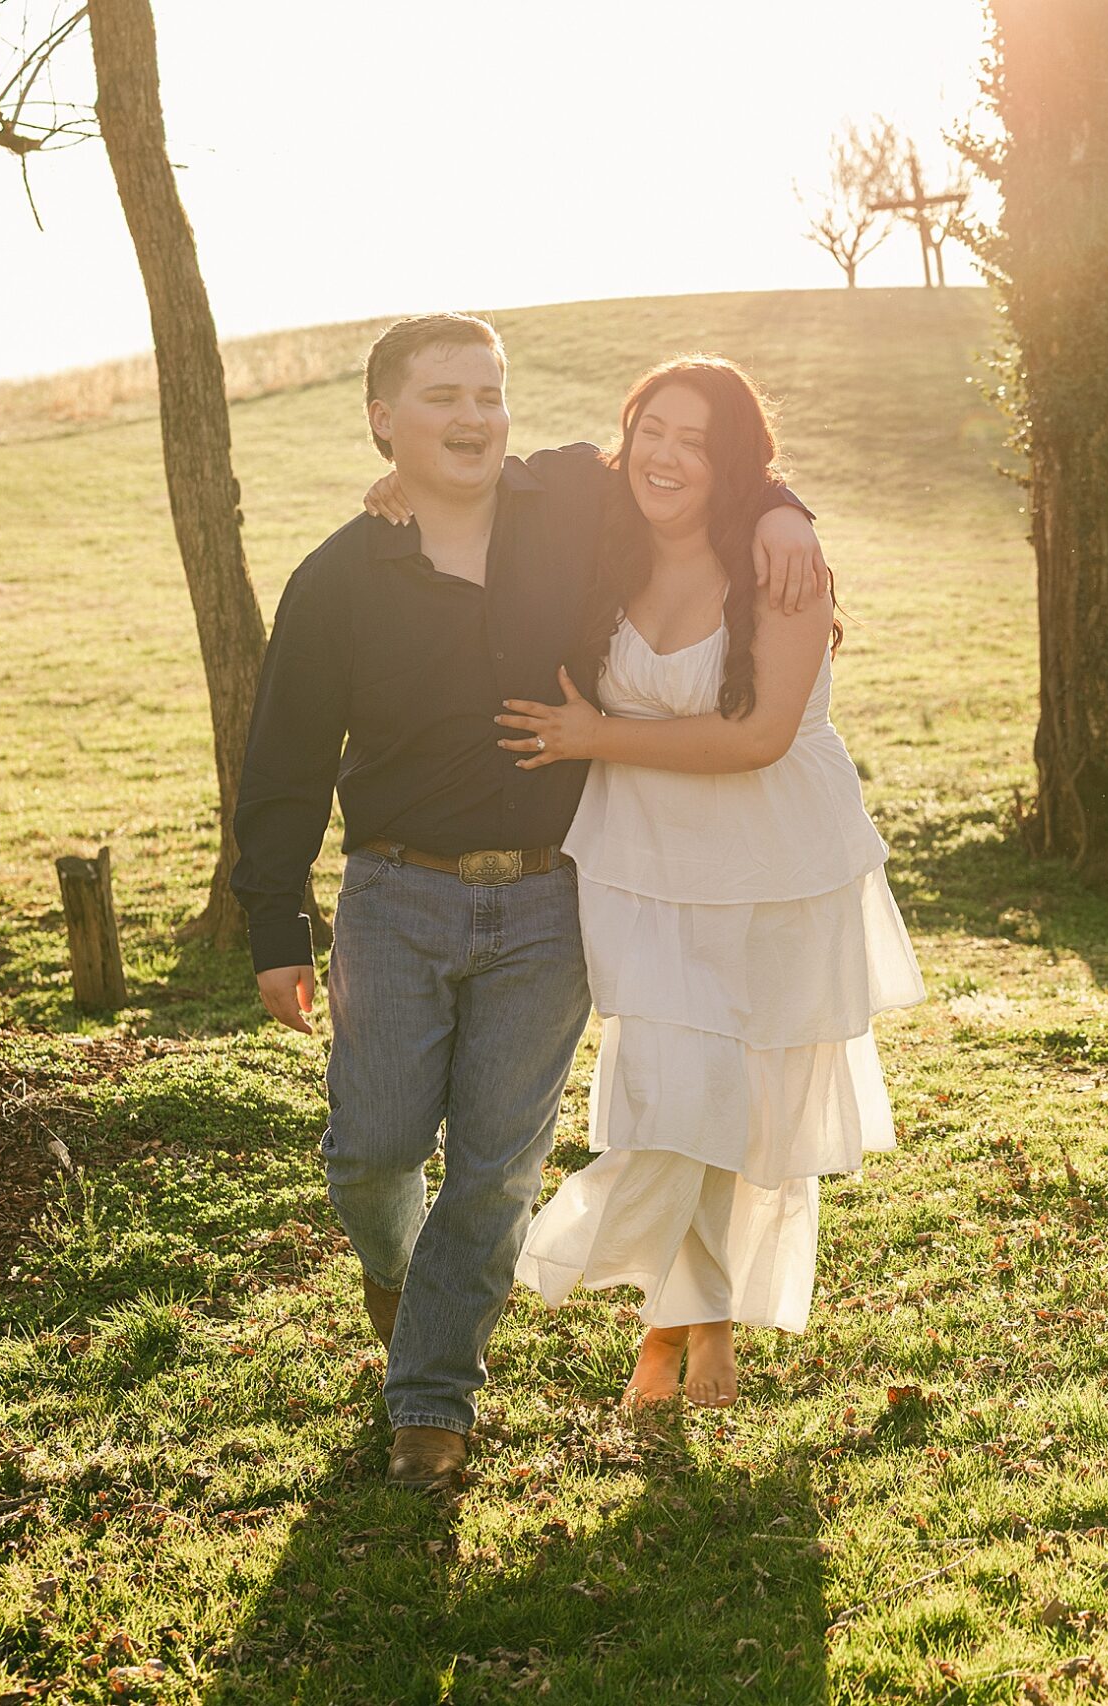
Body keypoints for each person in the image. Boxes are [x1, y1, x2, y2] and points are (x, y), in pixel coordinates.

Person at [230, 314, 830, 1491]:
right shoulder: (337, 576)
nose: (472, 417)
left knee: (498, 1168)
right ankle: (402, 1280)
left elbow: (700, 460)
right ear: (381, 419)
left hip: (550, 902)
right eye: (441, 397)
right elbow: (286, 764)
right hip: (392, 896)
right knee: (373, 1152)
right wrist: (272, 928)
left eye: (489, 395)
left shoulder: (565, 509)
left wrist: (781, 510)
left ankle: (432, 1403)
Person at [481, 356, 920, 1410]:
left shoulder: (779, 566)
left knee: (738, 1105)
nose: (668, 457)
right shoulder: (606, 541)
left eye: (698, 441)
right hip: (642, 860)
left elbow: (762, 733)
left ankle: (684, 1326)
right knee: (667, 1094)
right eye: (653, 431)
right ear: (625, 438)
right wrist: (398, 485)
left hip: (772, 863)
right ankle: (676, 1314)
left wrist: (597, 732)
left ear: (738, 466)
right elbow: (510, 476)